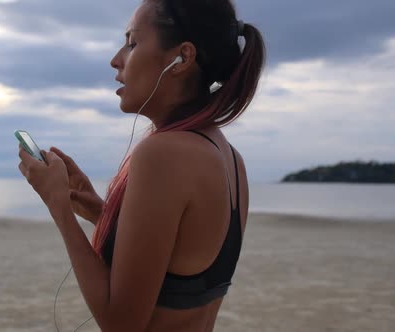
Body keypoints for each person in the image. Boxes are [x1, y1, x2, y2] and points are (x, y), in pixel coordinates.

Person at [18, 0, 265, 330]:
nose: (116, 59)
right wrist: (101, 213)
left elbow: (121, 323)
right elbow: (180, 261)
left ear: (182, 58)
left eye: (132, 43)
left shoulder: (163, 154)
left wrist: (59, 207)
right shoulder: (230, 158)